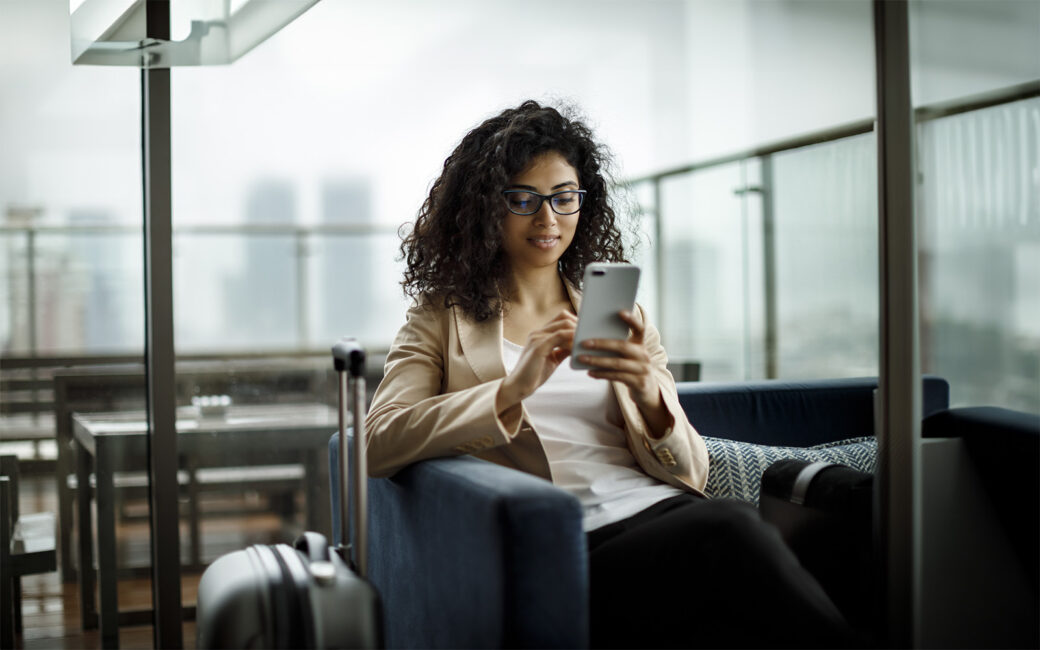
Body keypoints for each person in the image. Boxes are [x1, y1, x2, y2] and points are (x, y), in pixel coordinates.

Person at [365, 100, 850, 648]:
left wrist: (649, 395)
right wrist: (511, 389)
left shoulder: (622, 314)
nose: (548, 219)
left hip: (666, 513)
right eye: (523, 199)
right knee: (732, 531)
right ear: (484, 209)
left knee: (774, 538)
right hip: (571, 544)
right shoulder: (440, 317)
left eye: (564, 198)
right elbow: (378, 442)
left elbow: (691, 472)